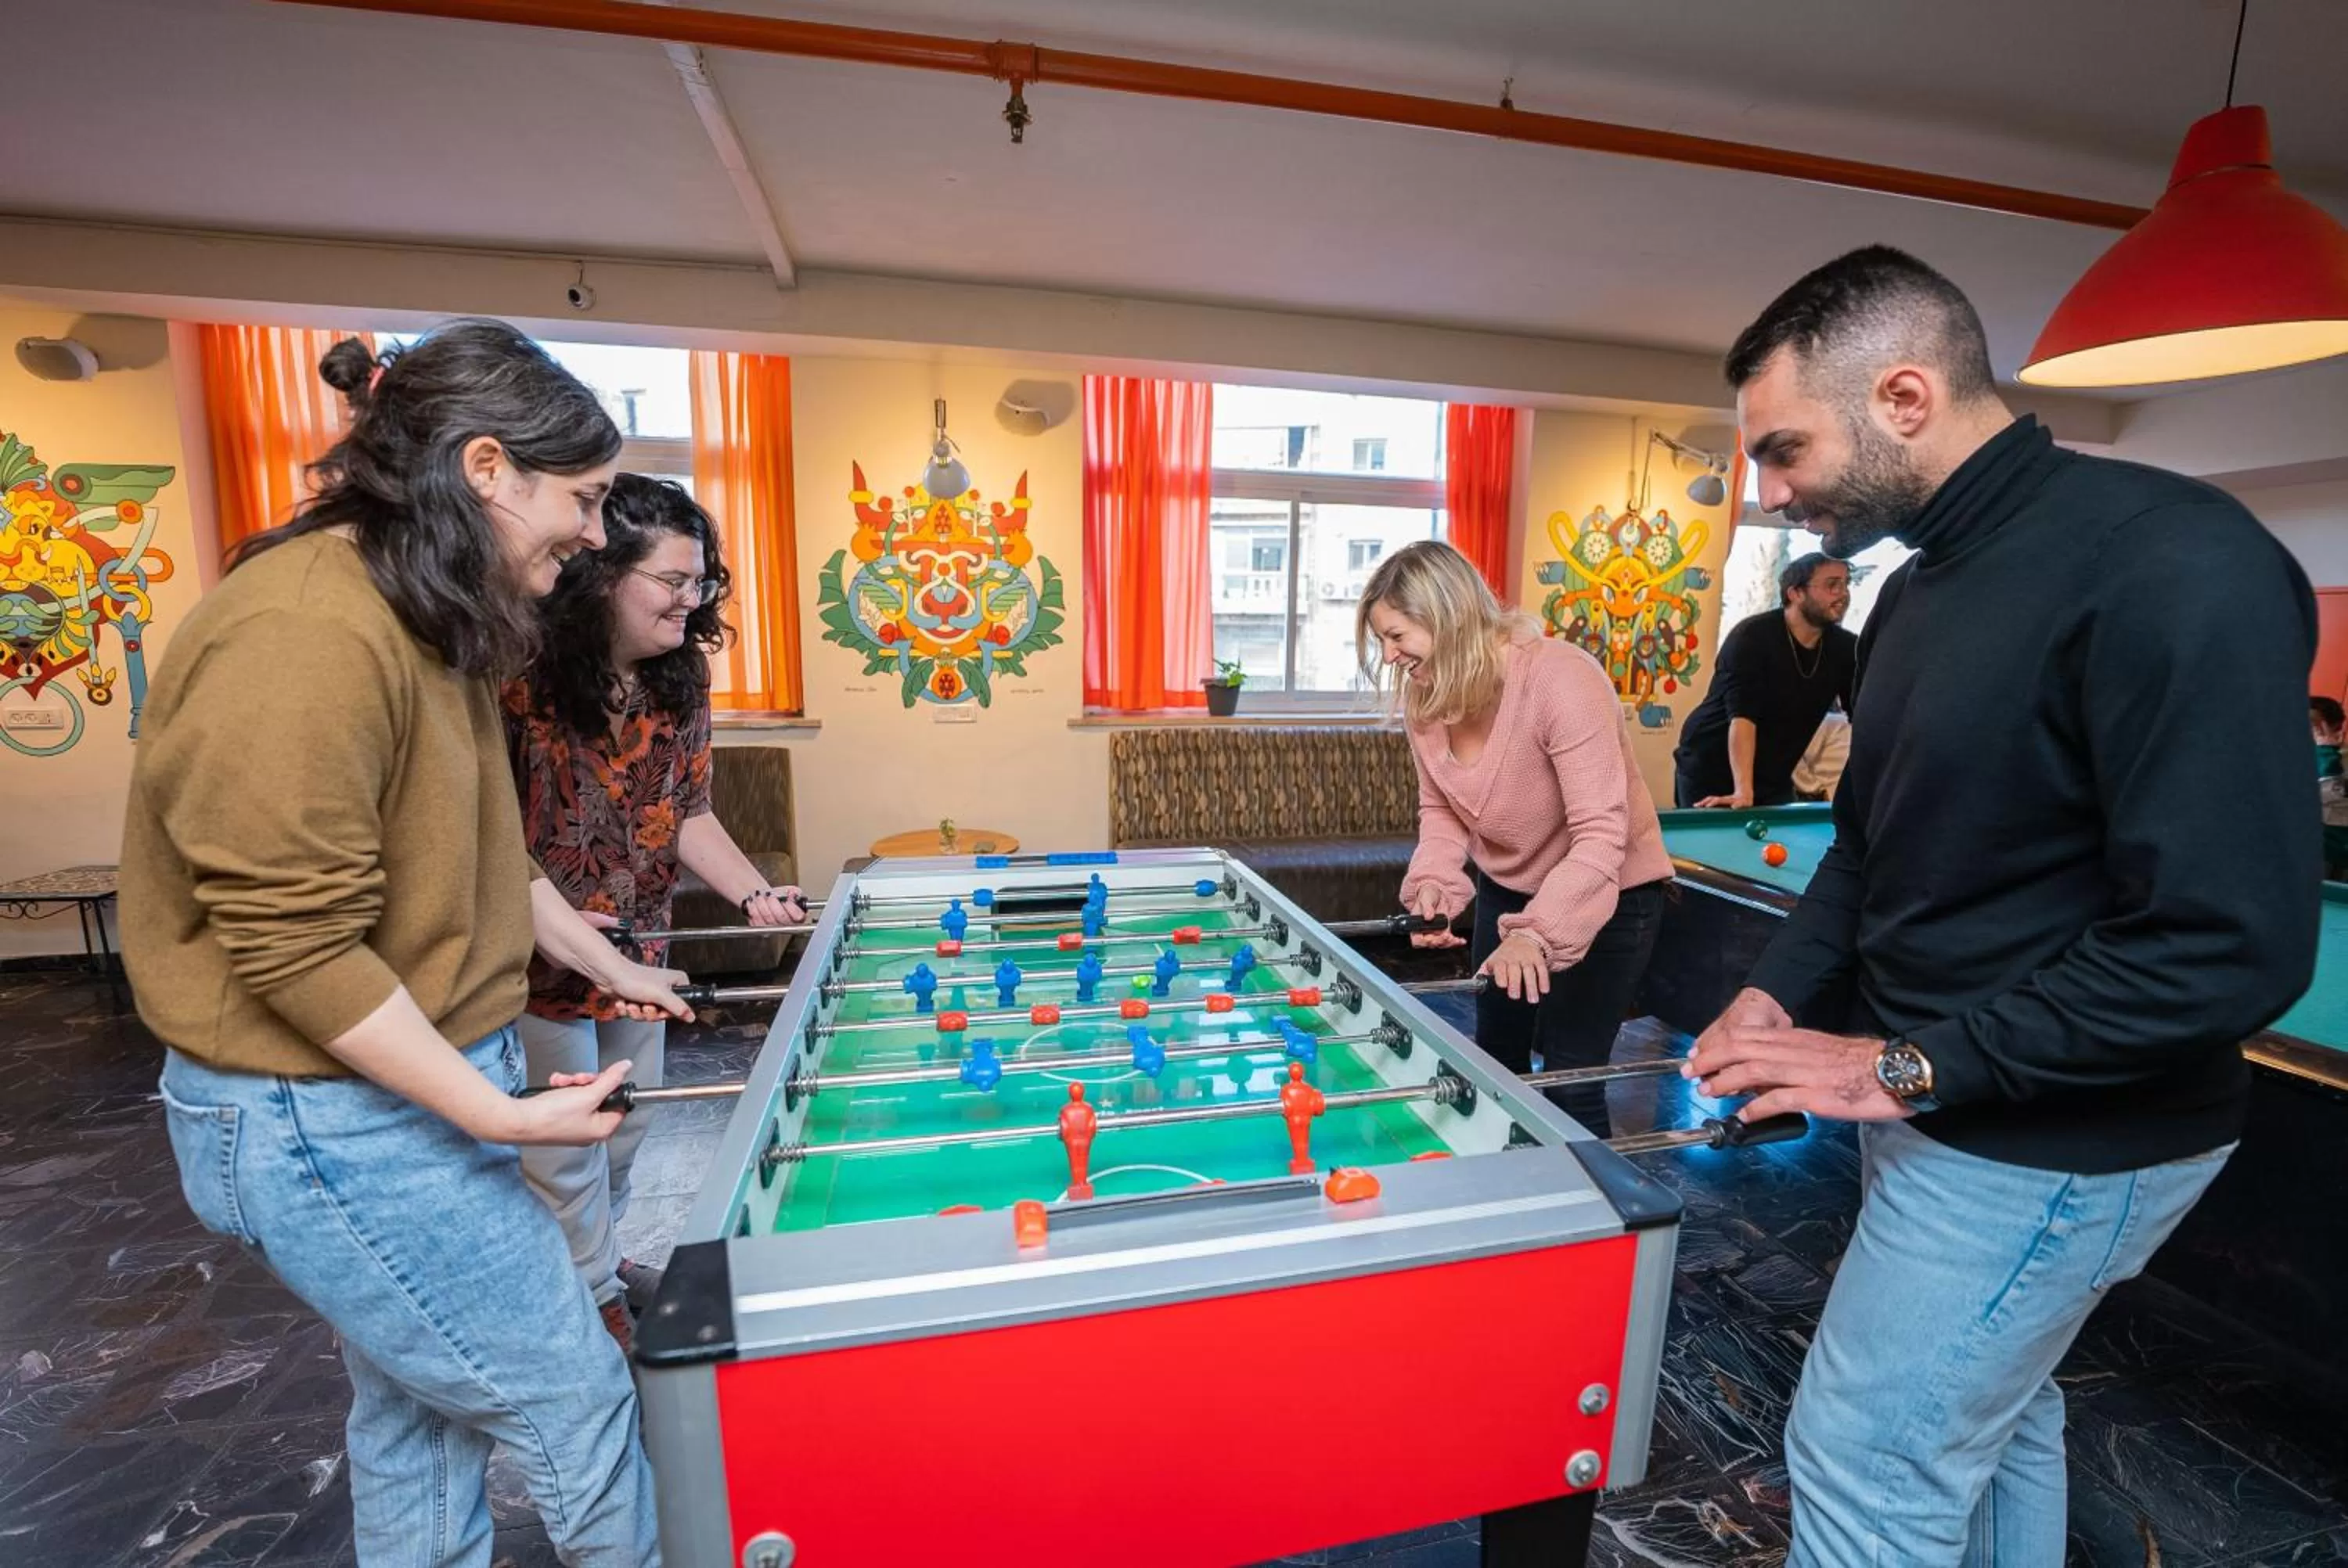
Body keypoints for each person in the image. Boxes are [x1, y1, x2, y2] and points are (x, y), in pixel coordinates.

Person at [1684, 246, 2318, 1567]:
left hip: (2056, 1138)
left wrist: (1898, 1065)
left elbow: (2227, 946)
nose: (1771, 491)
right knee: (1996, 1417)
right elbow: (1867, 848)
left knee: (1862, 1459)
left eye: (1785, 449)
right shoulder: (1912, 594)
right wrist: (1774, 991)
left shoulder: (2173, 559)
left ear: (1904, 396)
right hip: (1941, 1101)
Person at [121, 322, 691, 1566]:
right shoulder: (304, 630)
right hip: (323, 1112)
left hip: (391, 1087)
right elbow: (293, 943)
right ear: (487, 469)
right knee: (578, 1402)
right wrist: (495, 1114)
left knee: (418, 1421)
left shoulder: (428, 611)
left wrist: (610, 967)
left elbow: (483, 851)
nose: (595, 533)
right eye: (585, 498)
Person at [505, 474, 805, 1346]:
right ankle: (586, 1301)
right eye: (671, 581)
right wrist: (557, 927)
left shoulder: (681, 677)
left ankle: (602, 1262)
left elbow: (688, 813)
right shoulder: (517, 676)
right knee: (564, 1149)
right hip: (537, 959)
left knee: (629, 1125)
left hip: (641, 946)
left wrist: (753, 892)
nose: (690, 600)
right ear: (600, 575)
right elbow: (485, 836)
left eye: (700, 582)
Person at [1359, 539, 1675, 1138]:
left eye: (1396, 636)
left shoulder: (1560, 678)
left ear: (1445, 615)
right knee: (1496, 1061)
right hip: (1509, 886)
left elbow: (1600, 836)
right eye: (1381, 641)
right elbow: (1441, 808)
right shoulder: (1426, 695)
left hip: (1611, 890)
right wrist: (1435, 881)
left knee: (1570, 1078)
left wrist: (1537, 933)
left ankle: (1585, 1200)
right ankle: (1513, 1188)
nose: (1390, 655)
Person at [1671, 552, 1856, 807]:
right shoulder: (1752, 636)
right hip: (1709, 766)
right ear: (1795, 593)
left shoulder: (1846, 649)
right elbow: (1742, 717)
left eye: (1846, 584)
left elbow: (1860, 717)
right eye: (1832, 585)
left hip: (1773, 775)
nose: (1843, 593)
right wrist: (1743, 791)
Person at [2312, 696, 2348, 878]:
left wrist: (2325, 751)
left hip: (2332, 857)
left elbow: (2329, 793)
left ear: (2336, 728)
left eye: (2315, 726)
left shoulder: (2341, 761)